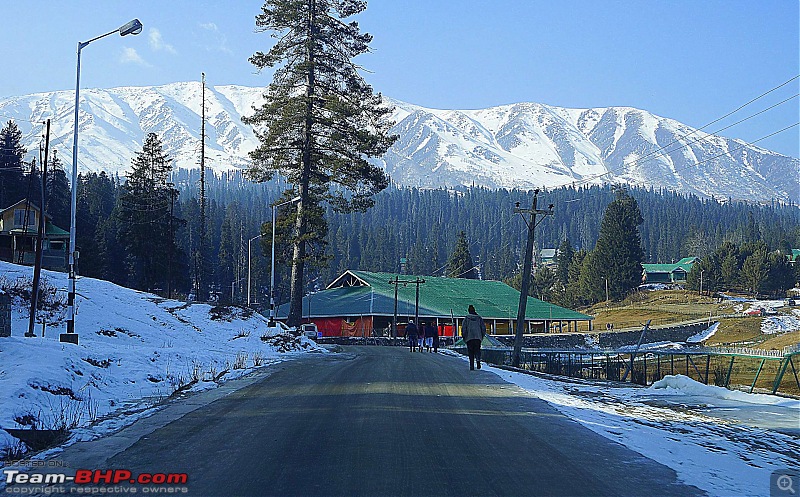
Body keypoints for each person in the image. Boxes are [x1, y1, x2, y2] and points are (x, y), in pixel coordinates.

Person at [461, 304, 486, 370]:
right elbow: (483, 328)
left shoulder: (466, 318)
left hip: (469, 338)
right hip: (478, 338)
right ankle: (478, 361)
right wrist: (481, 336)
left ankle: (471, 365)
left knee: (470, 351)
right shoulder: (479, 318)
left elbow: (464, 329)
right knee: (477, 350)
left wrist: (464, 337)